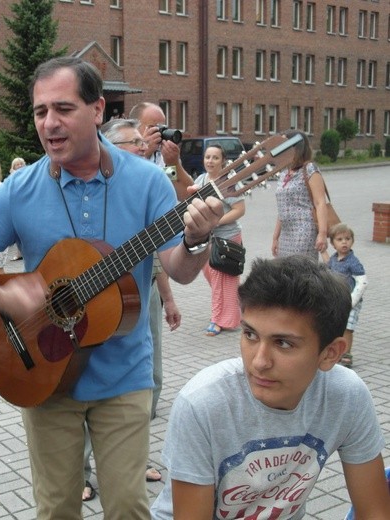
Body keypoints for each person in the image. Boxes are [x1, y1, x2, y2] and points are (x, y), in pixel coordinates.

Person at [0, 56, 222, 519]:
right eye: (40, 112)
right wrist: (3, 296)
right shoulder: (21, 187)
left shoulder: (148, 182)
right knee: (56, 509)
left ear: (97, 110)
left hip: (125, 376)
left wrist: (197, 241)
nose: (49, 124)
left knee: (127, 507)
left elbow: (178, 269)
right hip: (45, 373)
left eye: (63, 108)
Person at [150, 255, 390, 520]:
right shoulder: (203, 404)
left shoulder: (346, 396)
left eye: (283, 343)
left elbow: (374, 511)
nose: (259, 362)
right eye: (250, 335)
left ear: (331, 353)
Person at [79, 118, 180, 500]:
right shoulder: (90, 186)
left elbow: (158, 251)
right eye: (135, 140)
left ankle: (131, 459)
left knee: (149, 380)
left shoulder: (150, 181)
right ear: (110, 143)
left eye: (145, 140)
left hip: (141, 294)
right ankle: (86, 473)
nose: (144, 146)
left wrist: (168, 298)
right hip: (92, 304)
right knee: (87, 385)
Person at [193, 144, 245, 336]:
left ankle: (217, 320)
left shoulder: (230, 182)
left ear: (223, 160)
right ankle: (231, 313)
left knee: (222, 280)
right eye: (207, 157)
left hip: (227, 238)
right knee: (214, 278)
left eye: (215, 157)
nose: (210, 161)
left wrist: (215, 222)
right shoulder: (200, 179)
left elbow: (240, 210)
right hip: (206, 239)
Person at [272, 129, 328, 260]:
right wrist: (275, 237)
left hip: (303, 231)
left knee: (300, 273)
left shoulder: (309, 169)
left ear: (296, 148)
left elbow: (320, 203)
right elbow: (282, 209)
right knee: (284, 274)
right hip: (286, 233)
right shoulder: (284, 172)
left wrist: (322, 233)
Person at [128, 101, 193, 201]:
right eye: (153, 127)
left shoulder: (162, 157)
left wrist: (174, 164)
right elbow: (125, 186)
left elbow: (187, 195)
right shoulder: (122, 150)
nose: (160, 133)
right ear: (135, 128)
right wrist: (144, 151)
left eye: (163, 128)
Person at [324, 223, 368, 368]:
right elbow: (327, 269)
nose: (344, 242)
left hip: (350, 302)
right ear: (333, 244)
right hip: (337, 299)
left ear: (352, 241)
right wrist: (323, 251)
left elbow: (362, 282)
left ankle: (347, 354)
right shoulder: (334, 259)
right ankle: (335, 351)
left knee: (348, 328)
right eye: (340, 239)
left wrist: (352, 300)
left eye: (348, 239)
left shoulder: (353, 262)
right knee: (337, 325)